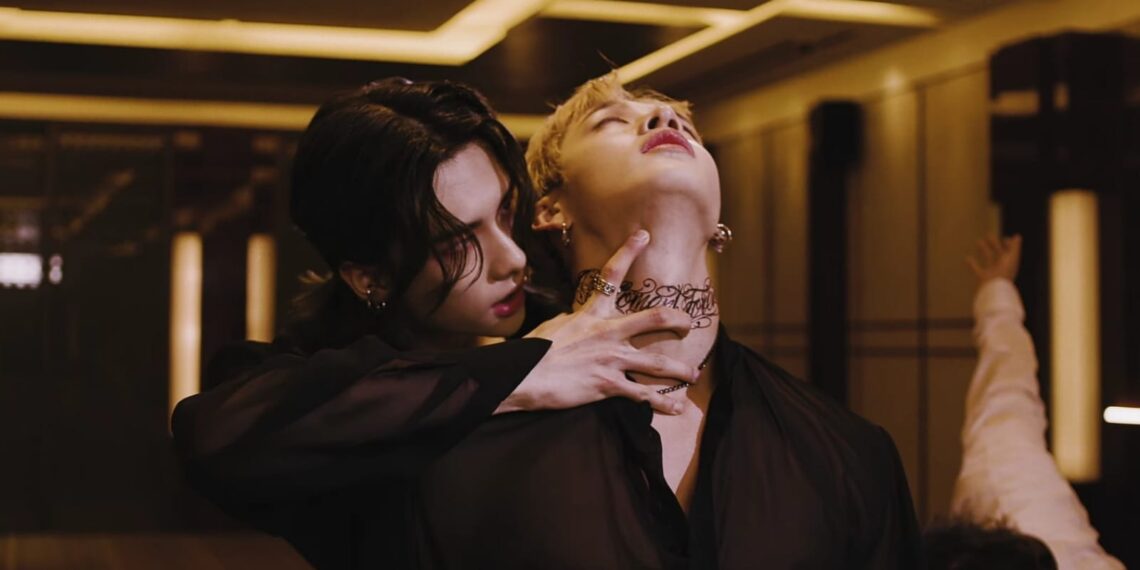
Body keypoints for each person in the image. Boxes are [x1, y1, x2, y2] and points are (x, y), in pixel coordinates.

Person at [171, 77, 703, 570]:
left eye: (504, 212)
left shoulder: (569, 326)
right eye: (458, 243)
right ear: (371, 277)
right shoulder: (314, 388)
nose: (513, 257)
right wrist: (517, 374)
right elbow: (213, 437)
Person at [395, 73, 921, 568]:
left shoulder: (850, 451)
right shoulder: (463, 445)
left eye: (684, 124)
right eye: (609, 121)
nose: (664, 120)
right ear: (550, 210)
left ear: (718, 214)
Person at [922, 234, 1125, 570]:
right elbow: (1007, 398)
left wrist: (997, 292)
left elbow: (1006, 399)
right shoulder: (1016, 491)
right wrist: (996, 292)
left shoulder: (1008, 490)